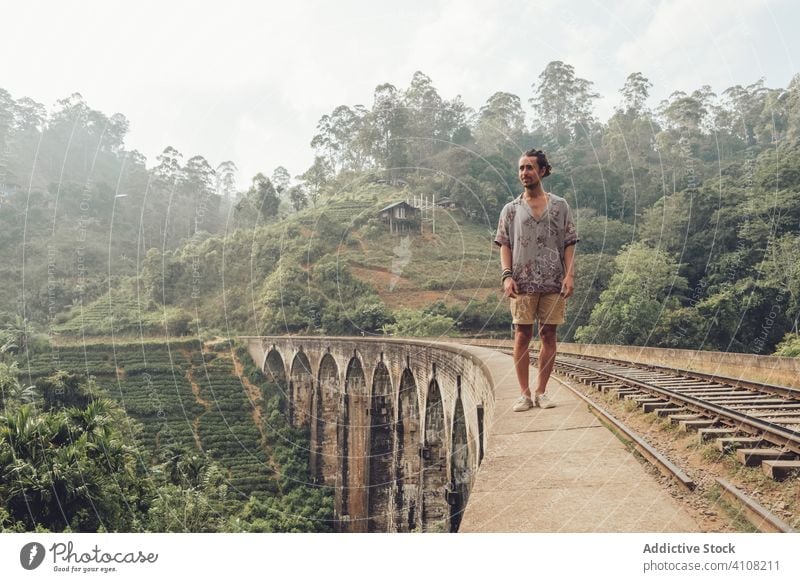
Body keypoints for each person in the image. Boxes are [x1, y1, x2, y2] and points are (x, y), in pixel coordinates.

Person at [494, 149, 578, 411]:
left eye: (530, 168)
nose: (524, 173)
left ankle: (542, 391)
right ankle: (524, 393)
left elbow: (569, 243)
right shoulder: (510, 210)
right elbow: (504, 245)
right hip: (522, 282)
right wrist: (507, 276)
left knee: (549, 334)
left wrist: (569, 274)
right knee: (522, 335)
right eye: (521, 168)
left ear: (542, 171)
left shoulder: (560, 206)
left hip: (553, 281)